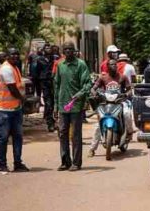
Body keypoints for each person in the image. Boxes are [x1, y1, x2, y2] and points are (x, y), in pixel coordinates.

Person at [54, 42, 92, 171]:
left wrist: (80, 94)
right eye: (66, 49)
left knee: (75, 134)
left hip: (76, 106)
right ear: (63, 52)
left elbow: (87, 84)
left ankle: (76, 163)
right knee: (62, 133)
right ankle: (65, 161)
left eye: (71, 49)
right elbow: (57, 86)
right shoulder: (60, 65)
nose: (68, 51)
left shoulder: (81, 65)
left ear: (75, 51)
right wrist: (55, 106)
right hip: (62, 105)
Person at [0, 48, 29, 173]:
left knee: (18, 136)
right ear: (7, 56)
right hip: (3, 109)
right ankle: (2, 165)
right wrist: (23, 98)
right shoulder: (6, 69)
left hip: (14, 108)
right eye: (12, 54)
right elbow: (13, 89)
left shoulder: (15, 67)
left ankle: (18, 163)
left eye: (17, 54)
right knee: (3, 137)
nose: (15, 56)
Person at [89, 59, 135, 157]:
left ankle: (129, 132)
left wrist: (126, 95)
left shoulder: (122, 77)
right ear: (107, 66)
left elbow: (129, 89)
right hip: (106, 102)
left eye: (115, 64)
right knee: (98, 125)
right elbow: (93, 88)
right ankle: (92, 149)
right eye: (111, 65)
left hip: (120, 101)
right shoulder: (103, 77)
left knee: (127, 114)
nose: (113, 66)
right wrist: (94, 93)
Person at [35, 44, 55, 132]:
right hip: (44, 82)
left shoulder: (54, 59)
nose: (48, 49)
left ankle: (49, 116)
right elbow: (37, 72)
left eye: (49, 47)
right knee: (48, 102)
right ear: (43, 49)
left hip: (53, 82)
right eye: (46, 48)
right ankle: (50, 123)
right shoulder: (40, 60)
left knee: (53, 102)